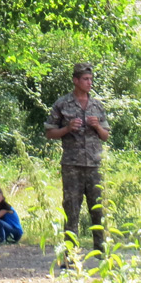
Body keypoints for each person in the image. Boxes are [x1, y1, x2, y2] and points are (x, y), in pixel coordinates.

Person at [45, 63, 110, 255]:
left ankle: (101, 252)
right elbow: (49, 133)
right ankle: (71, 254)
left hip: (94, 165)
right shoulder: (62, 104)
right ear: (75, 81)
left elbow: (106, 136)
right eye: (85, 79)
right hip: (72, 165)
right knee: (71, 210)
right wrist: (67, 128)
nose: (89, 82)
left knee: (98, 210)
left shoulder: (97, 105)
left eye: (90, 79)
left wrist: (97, 127)